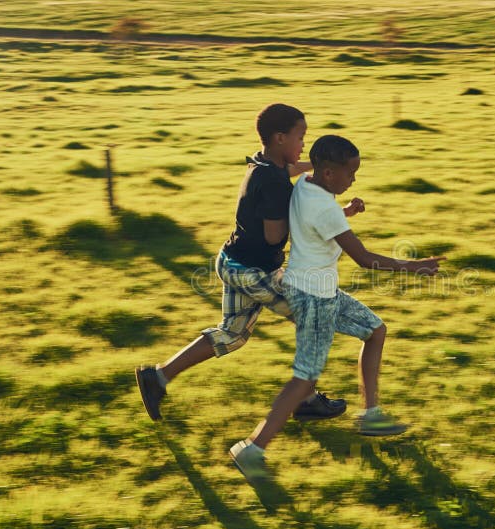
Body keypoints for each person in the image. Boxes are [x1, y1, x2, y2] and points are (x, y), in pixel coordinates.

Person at [229, 134, 445, 482]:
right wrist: (413, 267)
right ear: (328, 174)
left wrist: (346, 212)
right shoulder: (324, 205)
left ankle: (371, 414)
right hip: (313, 298)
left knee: (375, 330)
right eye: (351, 173)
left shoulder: (305, 183)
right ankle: (252, 448)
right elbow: (363, 259)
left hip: (320, 291)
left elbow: (313, 223)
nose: (354, 179)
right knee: (304, 379)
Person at [135, 104, 346, 423]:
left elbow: (286, 171)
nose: (304, 144)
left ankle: (158, 377)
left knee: (232, 335)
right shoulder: (274, 184)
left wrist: (318, 169)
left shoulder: (263, 163)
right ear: (279, 138)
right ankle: (305, 400)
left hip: (232, 261)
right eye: (300, 137)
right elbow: (275, 236)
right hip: (253, 272)